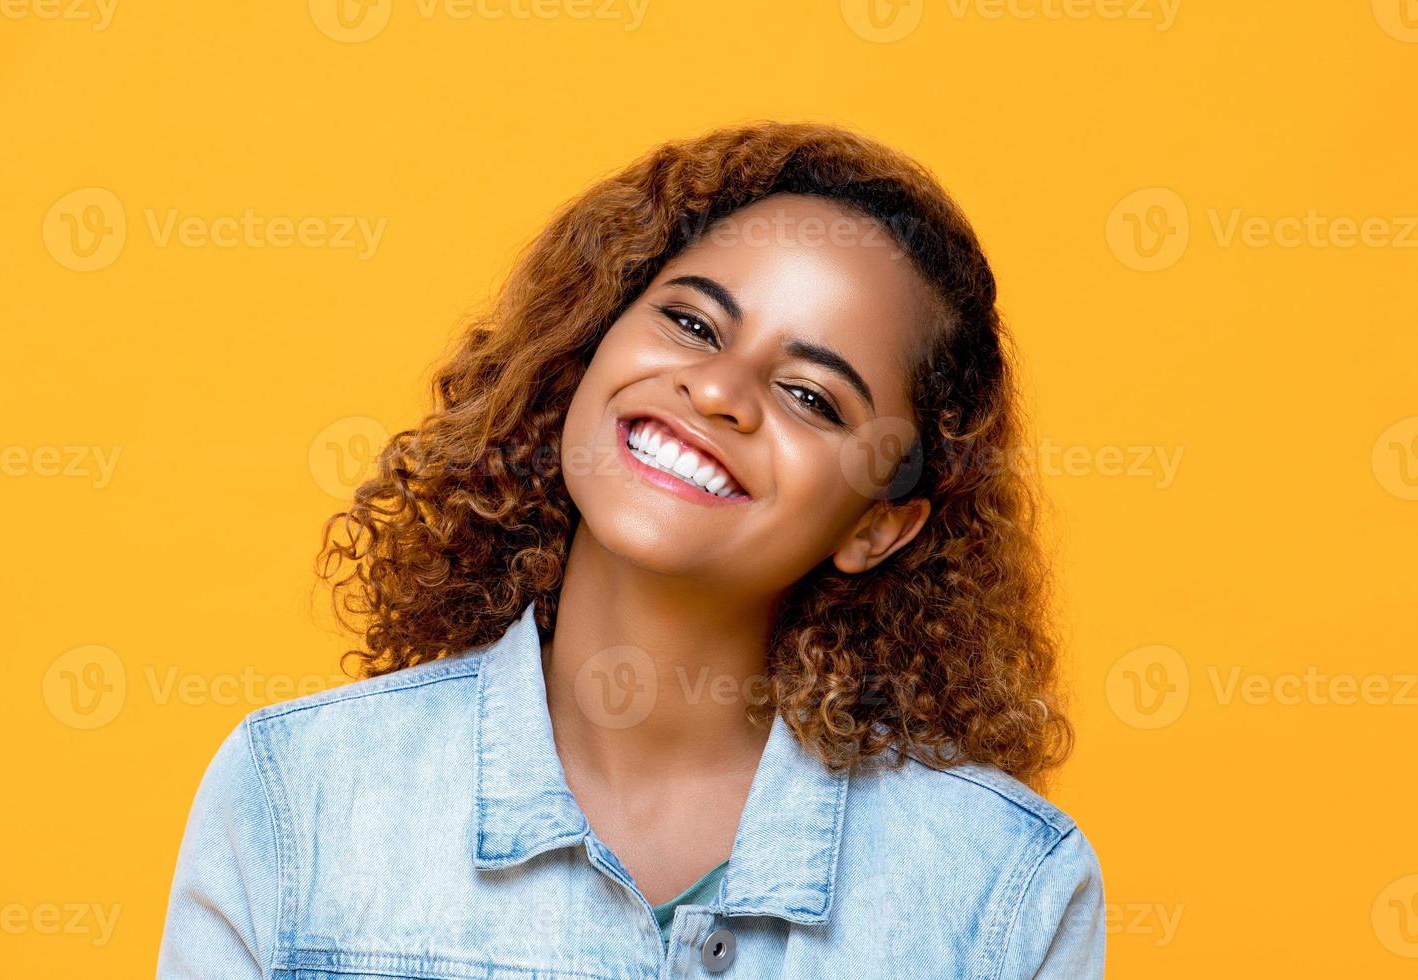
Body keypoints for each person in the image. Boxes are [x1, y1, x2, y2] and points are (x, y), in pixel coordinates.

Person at [156, 121, 1105, 978]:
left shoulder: (1007, 887)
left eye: (813, 397)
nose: (720, 391)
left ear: (876, 525)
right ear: (591, 346)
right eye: (691, 324)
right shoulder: (297, 796)